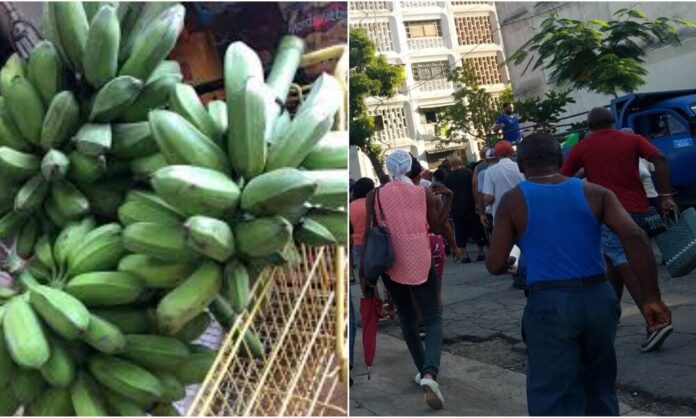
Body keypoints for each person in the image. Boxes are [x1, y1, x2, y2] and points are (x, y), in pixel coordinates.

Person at [486, 133, 671, 416]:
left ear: (521, 166)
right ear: (560, 161)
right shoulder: (595, 193)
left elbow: (495, 263)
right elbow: (635, 235)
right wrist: (651, 297)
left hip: (549, 305)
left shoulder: (512, 201)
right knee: (600, 387)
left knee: (553, 393)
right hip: (599, 298)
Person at [561, 107, 676, 351]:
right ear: (612, 122)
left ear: (589, 126)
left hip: (608, 213)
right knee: (611, 262)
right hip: (639, 209)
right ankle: (608, 317)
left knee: (622, 259)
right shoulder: (632, 139)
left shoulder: (582, 148)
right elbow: (660, 159)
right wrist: (666, 195)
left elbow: (563, 177)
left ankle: (654, 318)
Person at [360, 150, 453, 410]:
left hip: (390, 264)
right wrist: (448, 201)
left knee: (407, 318)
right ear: (412, 167)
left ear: (389, 169)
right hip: (421, 260)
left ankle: (422, 369)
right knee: (432, 317)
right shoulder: (422, 192)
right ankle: (429, 373)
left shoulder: (374, 195)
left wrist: (363, 271)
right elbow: (436, 228)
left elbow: (368, 233)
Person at [349, 177, 375, 385]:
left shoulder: (350, 207)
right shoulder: (372, 203)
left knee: (365, 281)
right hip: (377, 243)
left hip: (358, 246)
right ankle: (384, 307)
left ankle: (372, 307)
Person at [444, 156, 486, 262]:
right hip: (470, 204)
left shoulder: (447, 177)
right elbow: (474, 188)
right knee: (476, 227)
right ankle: (481, 252)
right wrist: (477, 203)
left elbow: (446, 194)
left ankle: (465, 255)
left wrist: (448, 207)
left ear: (450, 165)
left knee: (460, 229)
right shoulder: (468, 173)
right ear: (461, 162)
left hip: (456, 206)